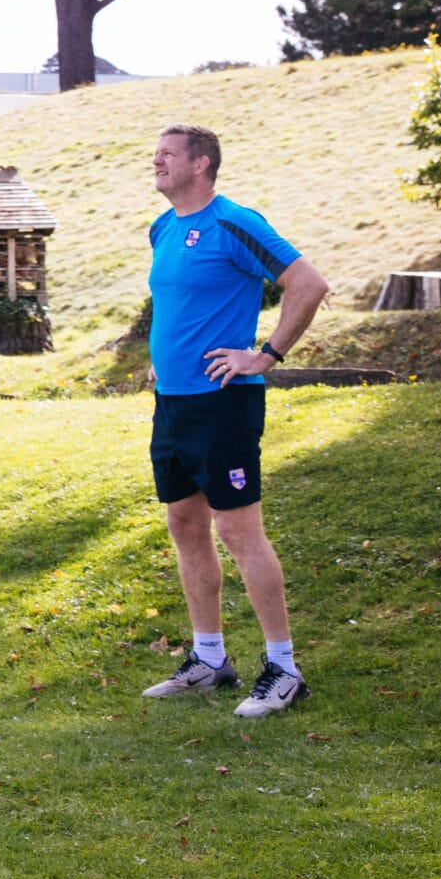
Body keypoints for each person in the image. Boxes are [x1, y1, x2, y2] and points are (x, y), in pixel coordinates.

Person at [139, 124, 328, 718]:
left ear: (201, 163)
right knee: (185, 525)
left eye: (168, 153)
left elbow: (308, 282)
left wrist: (265, 355)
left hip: (224, 404)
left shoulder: (234, 221)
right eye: (157, 153)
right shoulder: (163, 228)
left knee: (239, 533)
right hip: (173, 403)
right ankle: (210, 659)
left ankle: (284, 668)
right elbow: (182, 305)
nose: (157, 161)